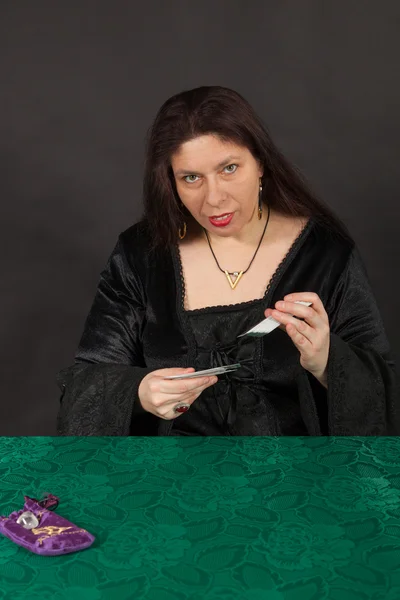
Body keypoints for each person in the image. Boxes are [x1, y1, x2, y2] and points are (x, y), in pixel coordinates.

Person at [56, 85, 399, 436]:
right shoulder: (140, 254)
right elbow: (86, 382)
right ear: (170, 182)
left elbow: (383, 390)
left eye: (230, 168)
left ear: (261, 162)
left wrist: (328, 362)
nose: (214, 199)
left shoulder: (326, 254)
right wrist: (139, 393)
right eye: (191, 178)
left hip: (295, 481)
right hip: (171, 481)